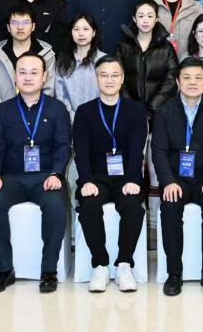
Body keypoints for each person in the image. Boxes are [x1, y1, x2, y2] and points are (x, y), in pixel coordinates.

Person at [0, 53, 72, 294]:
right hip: (11, 177)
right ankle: (4, 269)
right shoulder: (3, 110)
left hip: (46, 176)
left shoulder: (57, 109)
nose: (28, 77)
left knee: (55, 205)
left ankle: (49, 270)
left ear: (44, 76)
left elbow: (64, 146)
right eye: (22, 72)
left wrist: (57, 174)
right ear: (15, 76)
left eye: (34, 72)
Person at [153, 58, 203, 297]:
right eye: (186, 78)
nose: (192, 82)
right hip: (176, 178)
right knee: (170, 206)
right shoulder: (164, 111)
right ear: (178, 82)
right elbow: (158, 151)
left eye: (198, 78)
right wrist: (168, 182)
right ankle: (174, 273)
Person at [72, 57, 148, 292]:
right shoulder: (84, 112)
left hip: (127, 176)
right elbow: (81, 152)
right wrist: (86, 181)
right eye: (104, 75)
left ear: (122, 79)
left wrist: (133, 179)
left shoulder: (135, 111)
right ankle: (100, 265)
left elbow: (137, 151)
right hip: (95, 176)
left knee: (133, 205)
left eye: (115, 75)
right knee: (89, 205)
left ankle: (124, 264)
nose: (109, 80)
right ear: (96, 79)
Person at [0, 4, 57, 116]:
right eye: (15, 23)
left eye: (25, 22)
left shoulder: (47, 55)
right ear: (8, 27)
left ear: (33, 26)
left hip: (37, 118)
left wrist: (33, 116)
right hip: (4, 118)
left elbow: (49, 90)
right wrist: (4, 116)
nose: (20, 27)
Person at [117, 0, 179, 118]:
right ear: (134, 19)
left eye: (150, 16)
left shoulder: (166, 47)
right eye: (141, 16)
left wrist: (152, 108)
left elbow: (171, 80)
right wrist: (132, 107)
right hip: (129, 112)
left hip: (159, 112)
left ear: (156, 19)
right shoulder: (123, 46)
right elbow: (117, 77)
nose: (145, 20)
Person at [53, 14, 107, 119]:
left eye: (86, 29)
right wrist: (75, 119)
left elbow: (109, 93)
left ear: (93, 32)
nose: (81, 34)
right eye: (76, 29)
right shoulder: (63, 62)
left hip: (99, 120)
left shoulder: (104, 61)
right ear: (71, 33)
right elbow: (61, 97)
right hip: (70, 121)